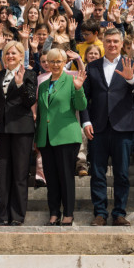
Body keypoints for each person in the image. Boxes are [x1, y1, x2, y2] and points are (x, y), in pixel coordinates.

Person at [81, 28, 134, 226]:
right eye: (108, 41)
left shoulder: (131, 64)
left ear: (122, 43)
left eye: (116, 41)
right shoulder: (92, 66)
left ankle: (119, 213)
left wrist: (130, 78)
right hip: (97, 127)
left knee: (122, 173)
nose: (112, 44)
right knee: (98, 172)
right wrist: (86, 120)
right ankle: (100, 212)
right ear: (103, 41)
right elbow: (84, 97)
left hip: (123, 127)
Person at [35, 49, 87, 226]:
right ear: (47, 63)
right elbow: (42, 113)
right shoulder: (42, 85)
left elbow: (81, 105)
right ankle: (54, 212)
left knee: (66, 177)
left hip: (66, 136)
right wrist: (37, 137)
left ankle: (68, 213)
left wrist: (79, 89)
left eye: (59, 61)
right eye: (52, 61)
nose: (55, 65)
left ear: (64, 63)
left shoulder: (72, 81)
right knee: (51, 178)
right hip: (46, 137)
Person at [0, 41, 37, 226]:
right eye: (7, 53)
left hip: (22, 130)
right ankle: (3, 215)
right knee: (3, 174)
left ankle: (17, 215)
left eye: (14, 53)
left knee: (19, 174)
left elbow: (30, 100)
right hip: (2, 130)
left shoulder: (29, 73)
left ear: (21, 56)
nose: (10, 56)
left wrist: (20, 85)